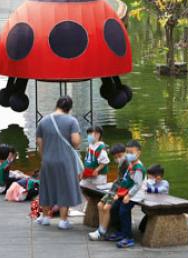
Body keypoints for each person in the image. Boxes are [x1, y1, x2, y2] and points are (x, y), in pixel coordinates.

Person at [35, 96, 82, 230]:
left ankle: (44, 217)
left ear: (57, 105)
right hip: (65, 160)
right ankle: (63, 220)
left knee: (46, 187)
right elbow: (76, 142)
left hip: (48, 159)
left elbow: (39, 143)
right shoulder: (71, 121)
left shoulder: (43, 121)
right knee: (64, 188)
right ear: (69, 108)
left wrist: (44, 157)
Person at [110, 141, 146, 248]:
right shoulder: (130, 165)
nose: (129, 154)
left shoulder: (138, 168)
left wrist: (128, 196)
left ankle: (128, 237)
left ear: (138, 153)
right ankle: (121, 232)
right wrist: (119, 194)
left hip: (136, 193)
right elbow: (125, 180)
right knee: (115, 207)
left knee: (124, 210)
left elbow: (137, 185)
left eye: (132, 152)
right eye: (128, 152)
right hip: (127, 191)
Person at [88, 143, 127, 241]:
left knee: (106, 207)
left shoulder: (128, 163)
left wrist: (119, 193)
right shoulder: (122, 163)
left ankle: (101, 231)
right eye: (116, 157)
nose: (118, 158)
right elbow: (120, 178)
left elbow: (128, 181)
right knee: (99, 205)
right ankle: (101, 229)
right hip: (115, 188)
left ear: (125, 152)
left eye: (120, 156)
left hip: (121, 190)